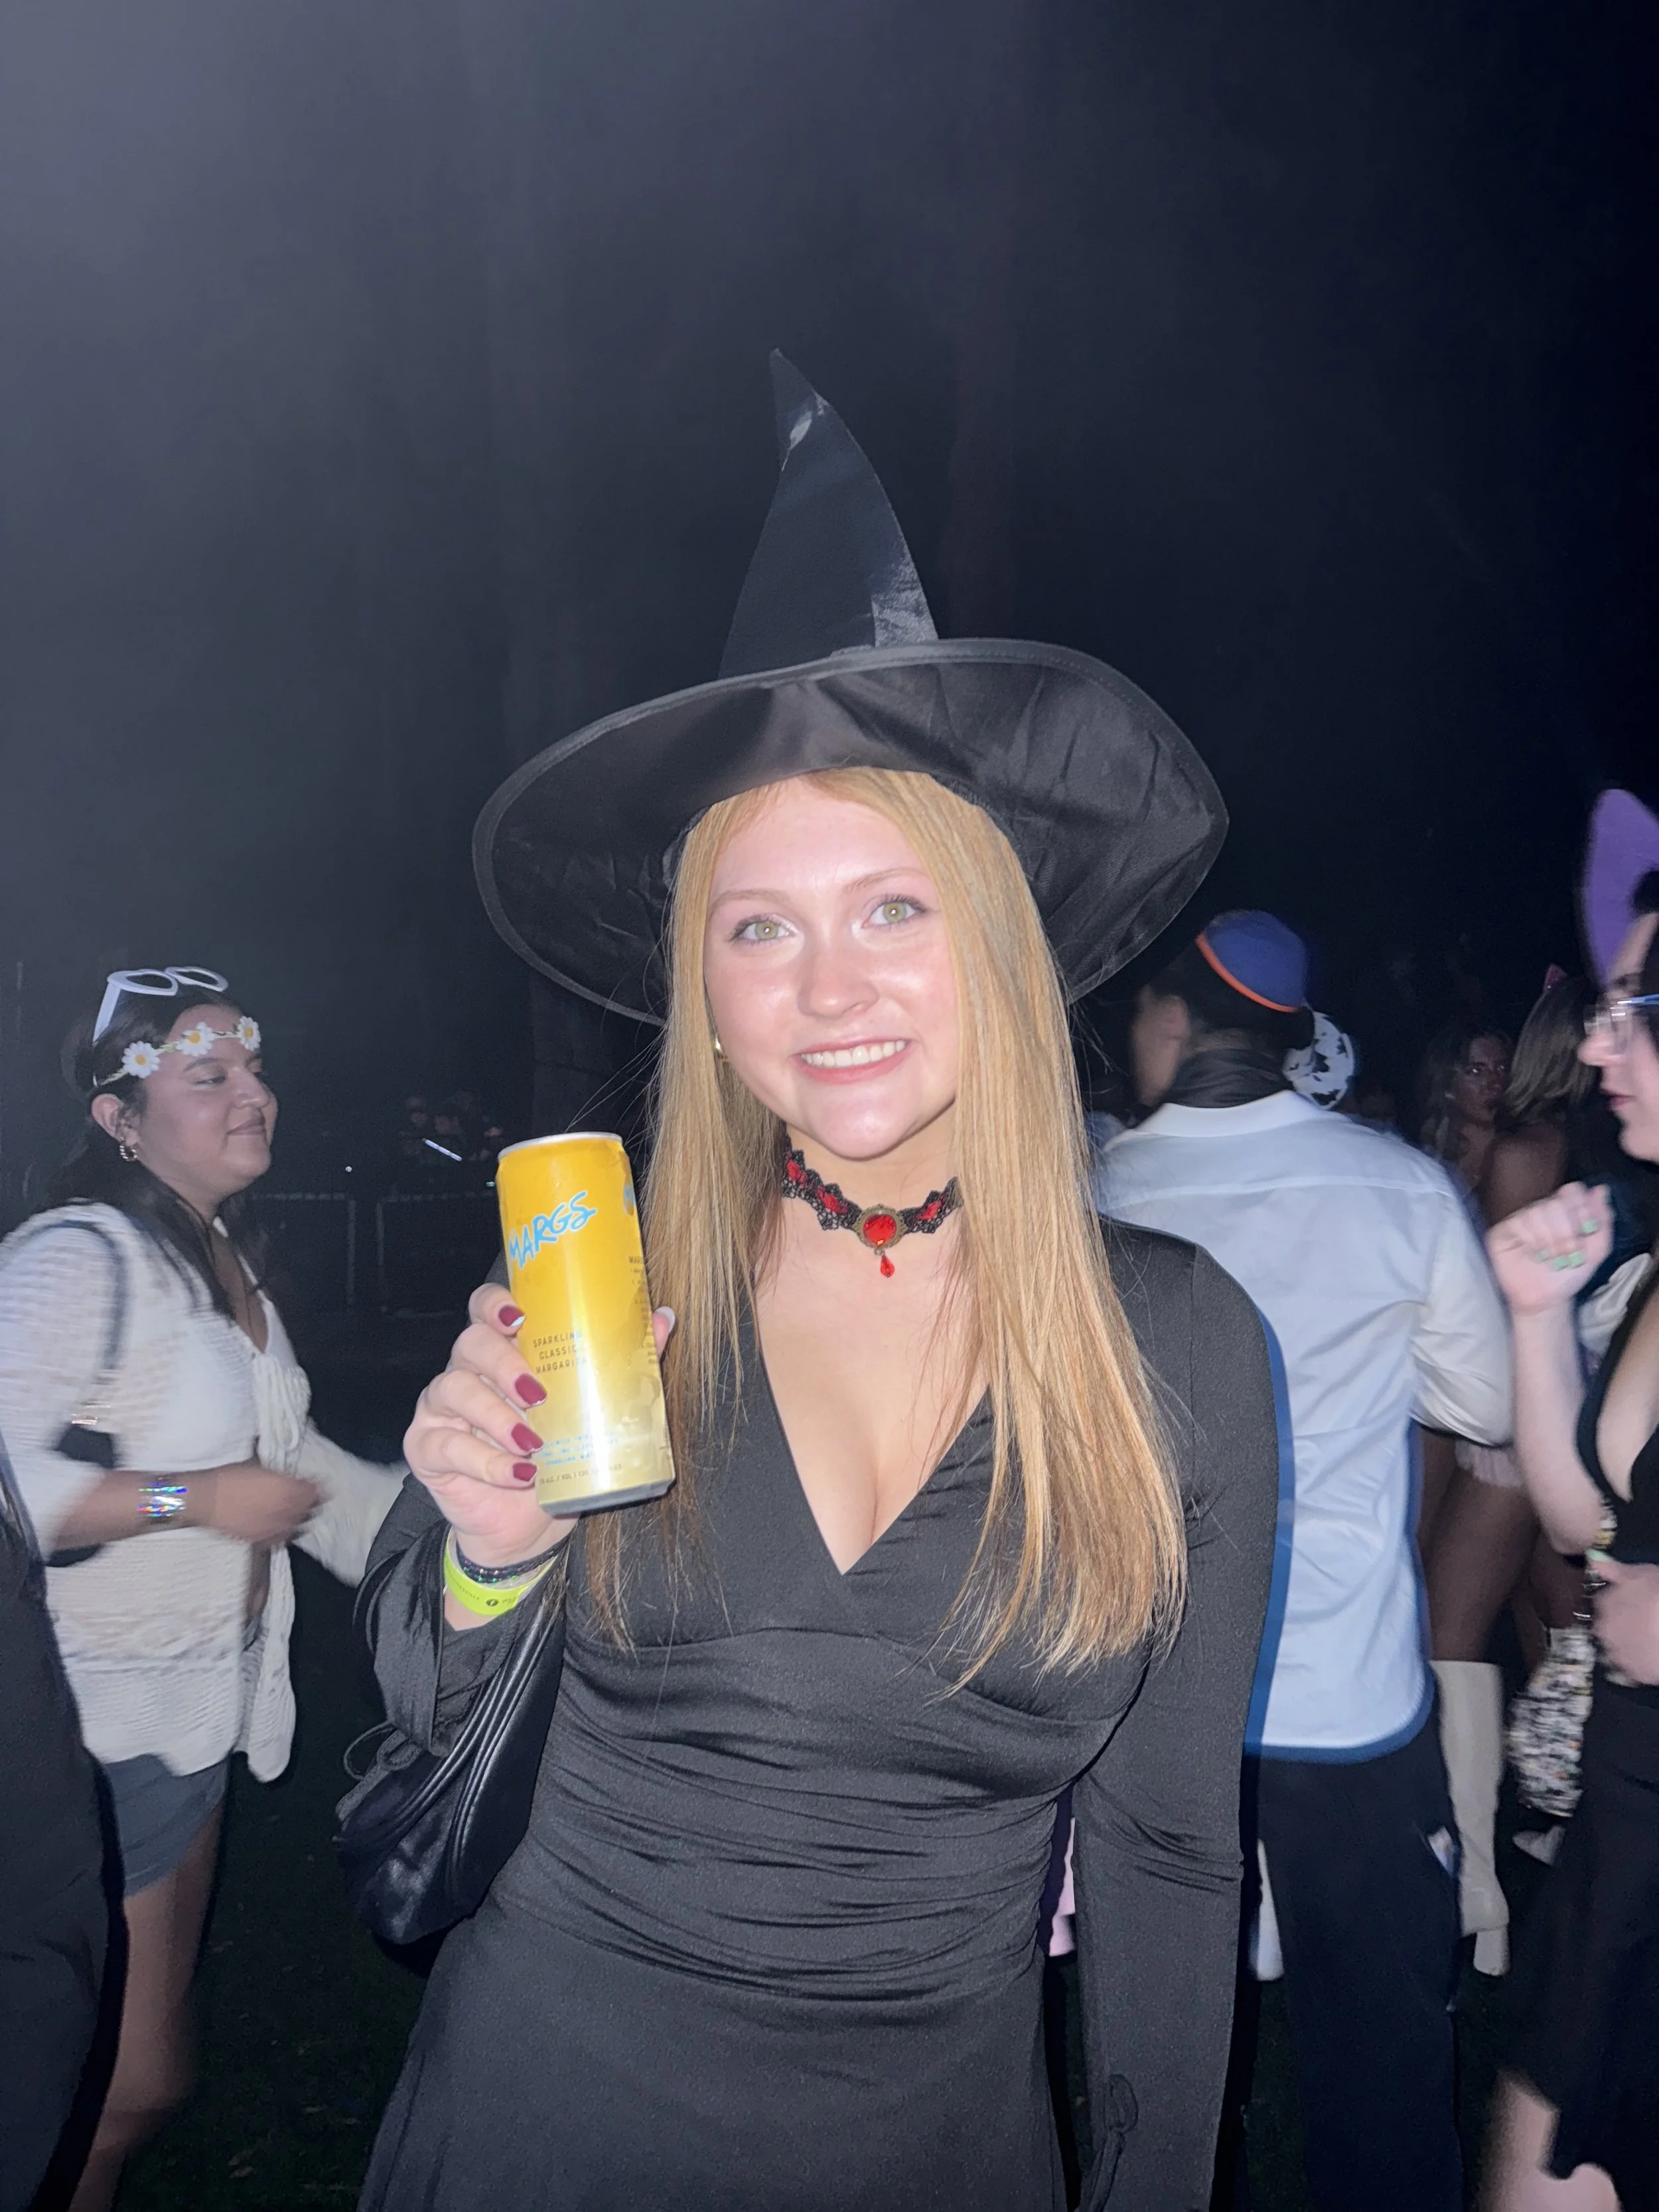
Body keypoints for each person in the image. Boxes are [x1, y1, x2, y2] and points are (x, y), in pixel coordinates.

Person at [354, 358, 1279, 2212]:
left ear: (996, 942)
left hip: (934, 2154)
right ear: (702, 986)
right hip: (540, 2120)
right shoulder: (612, 1294)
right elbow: (410, 1735)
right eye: (757, 926)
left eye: (891, 906)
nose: (823, 986)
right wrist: (477, 1548)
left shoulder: (1171, 1338)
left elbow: (1169, 1851)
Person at [1096, 908, 1512, 2212]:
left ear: (1168, 1022)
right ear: (1291, 1039)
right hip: (1345, 1704)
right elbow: (1488, 1409)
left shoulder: (1092, 1195)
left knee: (1153, 2087)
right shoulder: (1395, 1186)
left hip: (1154, 1707)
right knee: (1381, 2074)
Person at [0, 966, 403, 2212]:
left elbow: (300, 1472)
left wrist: (480, 1512)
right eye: (210, 1075)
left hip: (194, 1718)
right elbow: (13, 1478)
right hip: (85, 1738)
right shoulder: (79, 1252)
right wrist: (194, 1497)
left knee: (131, 2083)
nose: (257, 1094)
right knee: (82, 2086)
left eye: (255, 1069)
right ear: (121, 1118)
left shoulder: (222, 1265)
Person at [1482, 827, 1659, 2212]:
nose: (1595, 1048)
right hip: (1625, 1794)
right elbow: (1577, 1515)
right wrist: (1536, 1319)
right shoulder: (1652, 1255)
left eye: (1627, 1012)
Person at [0, 1433, 108, 2212]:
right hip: (124, 1718)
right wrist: (192, 1503)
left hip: (200, 1720)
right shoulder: (62, 1303)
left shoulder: (229, 1304)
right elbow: (43, 1503)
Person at [1417, 1020, 1514, 1195]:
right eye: (1477, 1071)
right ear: (1447, 1086)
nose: (1495, 1083)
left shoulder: (1527, 1153)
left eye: (1502, 1068)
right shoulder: (1428, 1164)